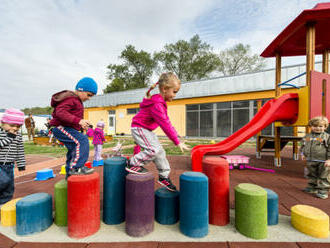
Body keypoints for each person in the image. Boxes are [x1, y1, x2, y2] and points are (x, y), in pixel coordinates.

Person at [126, 72, 190, 191]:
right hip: (139, 128)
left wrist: (175, 134)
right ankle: (133, 163)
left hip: (146, 130)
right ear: (165, 89)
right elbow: (165, 124)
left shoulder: (160, 103)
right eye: (174, 92)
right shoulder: (157, 104)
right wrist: (176, 141)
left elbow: (167, 121)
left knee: (160, 151)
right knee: (153, 150)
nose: (175, 95)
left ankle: (164, 176)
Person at [49, 77, 98, 178]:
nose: (89, 98)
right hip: (61, 127)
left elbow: (73, 117)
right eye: (89, 95)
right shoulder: (71, 99)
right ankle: (76, 168)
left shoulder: (76, 101)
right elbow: (60, 112)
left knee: (74, 151)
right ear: (80, 89)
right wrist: (79, 121)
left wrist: (81, 125)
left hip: (67, 127)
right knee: (82, 141)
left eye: (91, 96)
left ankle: (69, 176)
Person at [300, 116, 330, 199]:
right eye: (315, 126)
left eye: (320, 126)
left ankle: (323, 191)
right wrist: (302, 154)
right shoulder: (307, 136)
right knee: (311, 174)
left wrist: (329, 159)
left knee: (324, 176)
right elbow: (303, 146)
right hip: (310, 160)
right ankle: (312, 187)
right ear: (311, 126)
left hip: (323, 161)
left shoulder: (327, 137)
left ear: (325, 127)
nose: (317, 128)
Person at [0, 108, 26, 205]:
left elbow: (20, 150)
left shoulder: (18, 135)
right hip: (0, 165)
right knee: (2, 182)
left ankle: (4, 205)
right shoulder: (1, 133)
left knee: (9, 187)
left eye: (18, 126)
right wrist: (8, 138)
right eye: (12, 125)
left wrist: (21, 164)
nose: (15, 128)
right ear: (3, 123)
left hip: (10, 166)